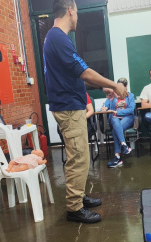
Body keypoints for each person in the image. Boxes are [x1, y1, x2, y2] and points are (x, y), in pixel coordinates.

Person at [43, 0, 127, 224]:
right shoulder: (58, 38)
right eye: (77, 12)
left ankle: (78, 196)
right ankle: (74, 208)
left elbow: (74, 75)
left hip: (72, 105)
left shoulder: (57, 38)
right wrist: (115, 85)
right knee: (78, 157)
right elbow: (84, 71)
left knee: (81, 155)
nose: (77, 17)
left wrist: (102, 87)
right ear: (70, 10)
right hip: (69, 108)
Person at [101, 78, 136, 168]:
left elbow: (131, 110)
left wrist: (117, 112)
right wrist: (104, 108)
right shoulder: (112, 95)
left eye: (120, 87)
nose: (118, 89)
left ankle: (117, 157)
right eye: (117, 86)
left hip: (127, 118)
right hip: (115, 119)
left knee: (115, 129)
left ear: (125, 87)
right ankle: (124, 145)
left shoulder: (130, 96)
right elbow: (106, 105)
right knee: (115, 120)